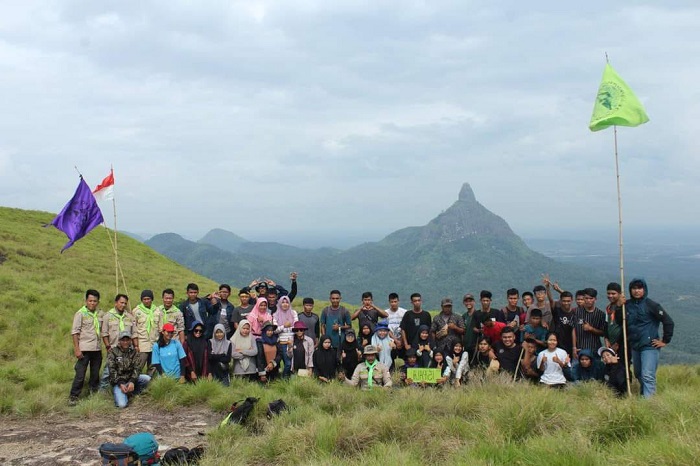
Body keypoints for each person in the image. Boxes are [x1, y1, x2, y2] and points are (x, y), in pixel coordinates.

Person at [621, 278, 674, 398]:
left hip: (650, 345)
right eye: (634, 288)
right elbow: (619, 320)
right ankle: (643, 396)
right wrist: (619, 306)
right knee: (638, 373)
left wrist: (665, 341)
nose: (636, 291)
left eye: (639, 288)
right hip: (634, 345)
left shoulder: (652, 305)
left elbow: (668, 322)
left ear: (644, 289)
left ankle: (649, 404)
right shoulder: (627, 305)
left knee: (647, 375)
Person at [69, 289, 103, 405]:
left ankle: (93, 394)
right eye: (90, 301)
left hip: (97, 349)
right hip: (84, 349)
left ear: (98, 302)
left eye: (95, 301)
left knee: (95, 374)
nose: (92, 303)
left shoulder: (100, 313)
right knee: (80, 374)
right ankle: (73, 396)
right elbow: (75, 332)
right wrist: (77, 349)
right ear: (86, 301)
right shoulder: (80, 313)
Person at [108, 330, 151, 408]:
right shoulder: (113, 352)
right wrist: (120, 383)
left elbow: (137, 368)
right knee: (122, 405)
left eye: (127, 340)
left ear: (130, 341)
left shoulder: (134, 352)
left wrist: (132, 381)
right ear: (119, 341)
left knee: (147, 378)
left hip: (130, 379)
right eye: (123, 340)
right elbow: (112, 370)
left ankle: (132, 392)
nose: (125, 342)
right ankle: (121, 394)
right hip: (119, 382)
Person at [100, 293, 133, 389]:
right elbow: (104, 333)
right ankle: (102, 390)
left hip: (127, 349)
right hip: (113, 348)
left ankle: (124, 387)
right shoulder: (108, 316)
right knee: (108, 370)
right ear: (116, 303)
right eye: (121, 302)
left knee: (126, 369)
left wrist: (135, 346)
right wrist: (107, 347)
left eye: (125, 303)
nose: (123, 305)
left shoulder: (129, 317)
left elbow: (134, 333)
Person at [132, 289, 162, 375]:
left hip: (154, 343)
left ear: (152, 299)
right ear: (141, 300)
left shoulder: (157, 311)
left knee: (152, 367)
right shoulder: (136, 311)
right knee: (138, 366)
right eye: (144, 299)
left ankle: (149, 383)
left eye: (148, 299)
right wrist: (136, 345)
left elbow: (161, 328)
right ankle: (135, 383)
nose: (146, 301)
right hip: (142, 344)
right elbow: (134, 330)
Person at [572, 288, 606, 360]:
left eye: (591, 298)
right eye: (586, 298)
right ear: (583, 298)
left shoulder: (600, 314)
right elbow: (573, 329)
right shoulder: (576, 312)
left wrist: (591, 329)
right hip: (579, 349)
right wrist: (574, 347)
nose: (588, 301)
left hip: (594, 349)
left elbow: (603, 333)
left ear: (595, 299)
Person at [273, 295, 298, 378]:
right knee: (287, 363)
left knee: (292, 364)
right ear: (279, 303)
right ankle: (284, 379)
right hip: (282, 343)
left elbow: (296, 327)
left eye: (287, 302)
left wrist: (286, 328)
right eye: (283, 302)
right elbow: (275, 330)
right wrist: (284, 326)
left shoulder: (293, 313)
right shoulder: (276, 314)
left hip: (292, 342)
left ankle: (287, 380)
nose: (285, 304)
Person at [551, 291, 575, 357]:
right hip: (558, 344)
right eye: (564, 301)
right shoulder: (557, 311)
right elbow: (551, 300)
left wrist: (574, 347)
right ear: (560, 301)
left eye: (568, 301)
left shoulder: (575, 313)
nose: (566, 303)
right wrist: (547, 288)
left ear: (572, 300)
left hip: (571, 345)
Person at [385, 293, 407, 362]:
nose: (393, 303)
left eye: (395, 301)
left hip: (403, 340)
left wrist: (401, 340)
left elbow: (405, 327)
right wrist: (395, 340)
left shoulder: (404, 312)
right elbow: (386, 329)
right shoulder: (385, 313)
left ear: (398, 301)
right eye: (392, 302)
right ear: (389, 302)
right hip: (391, 340)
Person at [461, 293, 479, 360]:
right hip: (466, 345)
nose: (468, 303)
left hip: (476, 345)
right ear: (464, 303)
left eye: (470, 301)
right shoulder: (464, 316)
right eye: (466, 301)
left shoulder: (478, 314)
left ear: (474, 302)